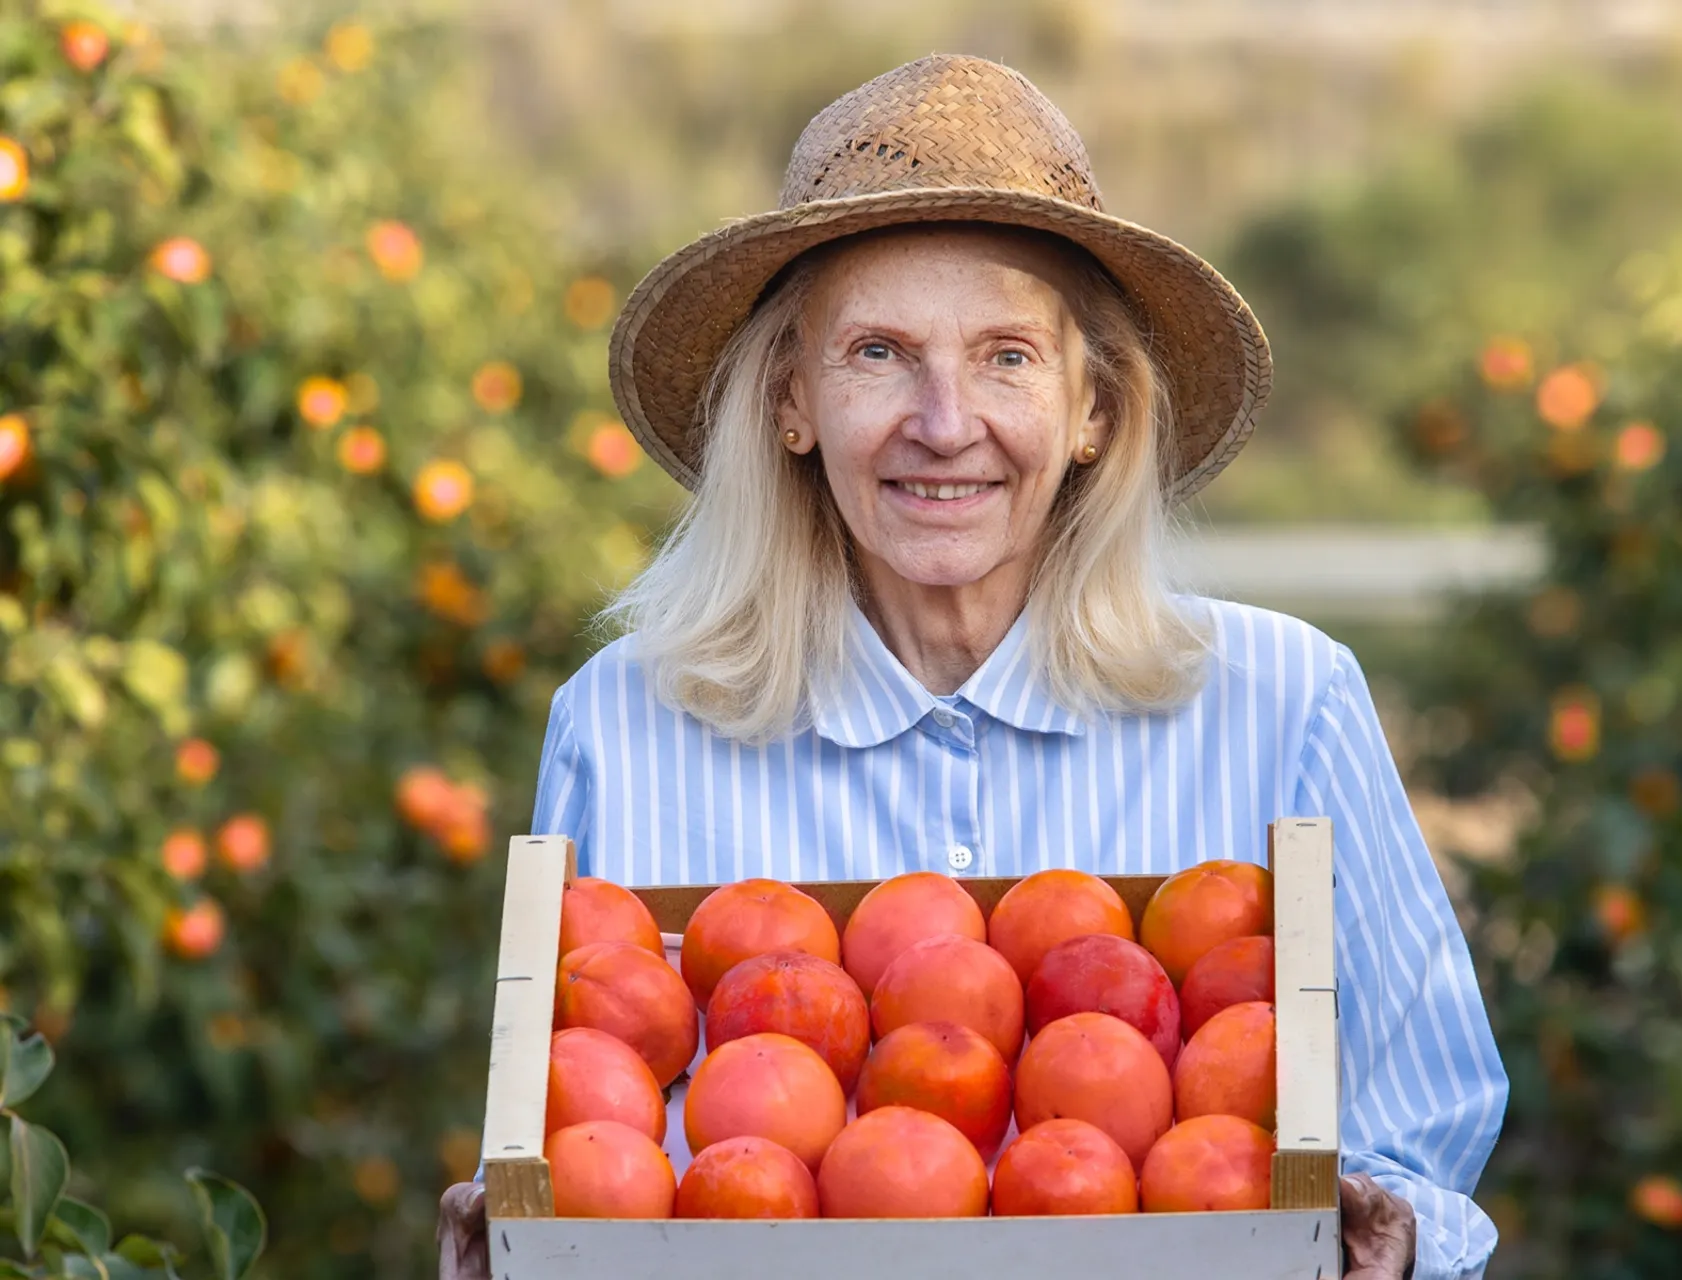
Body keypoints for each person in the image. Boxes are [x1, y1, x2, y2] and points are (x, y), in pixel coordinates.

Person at [438, 53, 1505, 1280]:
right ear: (791, 400)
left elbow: (1429, 1154)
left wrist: (1393, 1238)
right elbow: (581, 1131)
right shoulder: (626, 725)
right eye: (880, 353)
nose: (945, 422)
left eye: (1007, 355)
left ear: (1093, 408)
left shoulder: (1283, 704)